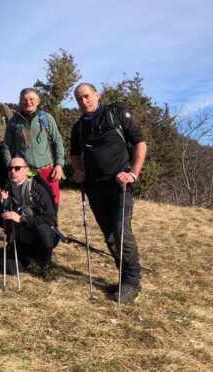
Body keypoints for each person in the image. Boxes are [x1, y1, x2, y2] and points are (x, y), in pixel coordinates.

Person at [71, 83, 147, 304]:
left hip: (119, 185)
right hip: (94, 187)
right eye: (79, 99)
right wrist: (77, 170)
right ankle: (124, 276)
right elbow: (75, 153)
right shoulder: (79, 127)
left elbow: (140, 142)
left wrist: (133, 173)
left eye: (87, 96)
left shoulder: (116, 113)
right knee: (110, 235)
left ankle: (133, 282)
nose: (84, 101)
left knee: (121, 231)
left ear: (97, 95)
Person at [0, 157, 58, 282]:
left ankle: (45, 264)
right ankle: (30, 256)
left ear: (27, 170)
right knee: (10, 269)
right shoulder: (5, 191)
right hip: (21, 237)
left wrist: (21, 219)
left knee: (43, 229)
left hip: (41, 234)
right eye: (10, 168)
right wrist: (2, 205)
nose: (13, 171)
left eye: (17, 168)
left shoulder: (38, 188)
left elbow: (50, 219)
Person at [2, 88, 65, 205]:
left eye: (31, 99)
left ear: (38, 101)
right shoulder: (13, 122)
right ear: (20, 102)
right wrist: (11, 167)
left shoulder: (46, 118)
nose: (28, 102)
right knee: (27, 207)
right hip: (25, 173)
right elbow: (6, 146)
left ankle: (53, 224)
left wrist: (59, 165)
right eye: (24, 99)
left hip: (47, 171)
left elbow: (57, 141)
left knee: (52, 205)